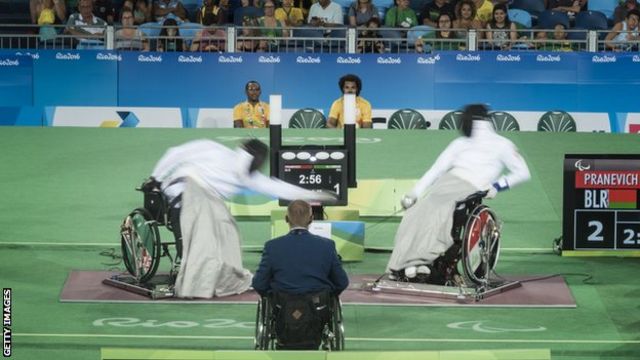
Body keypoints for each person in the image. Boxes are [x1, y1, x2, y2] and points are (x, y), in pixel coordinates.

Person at [148, 139, 336, 298]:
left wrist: (315, 195)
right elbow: (176, 153)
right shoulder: (213, 149)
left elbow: (279, 188)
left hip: (212, 200)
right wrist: (155, 177)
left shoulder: (249, 178)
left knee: (229, 230)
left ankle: (221, 279)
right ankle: (194, 283)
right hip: (184, 188)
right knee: (207, 233)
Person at [386, 104, 530, 282]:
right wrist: (414, 194)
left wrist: (496, 186)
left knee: (438, 212)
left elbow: (523, 172)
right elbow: (437, 169)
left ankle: (416, 262)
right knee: (416, 212)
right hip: (447, 183)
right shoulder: (462, 143)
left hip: (469, 187)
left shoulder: (502, 144)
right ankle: (407, 264)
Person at [252, 200, 349, 350]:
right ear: (311, 219)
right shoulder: (327, 246)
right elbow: (342, 282)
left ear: (286, 219)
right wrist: (329, 296)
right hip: (319, 308)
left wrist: (272, 295)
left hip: (281, 308)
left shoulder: (272, 247)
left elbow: (259, 284)